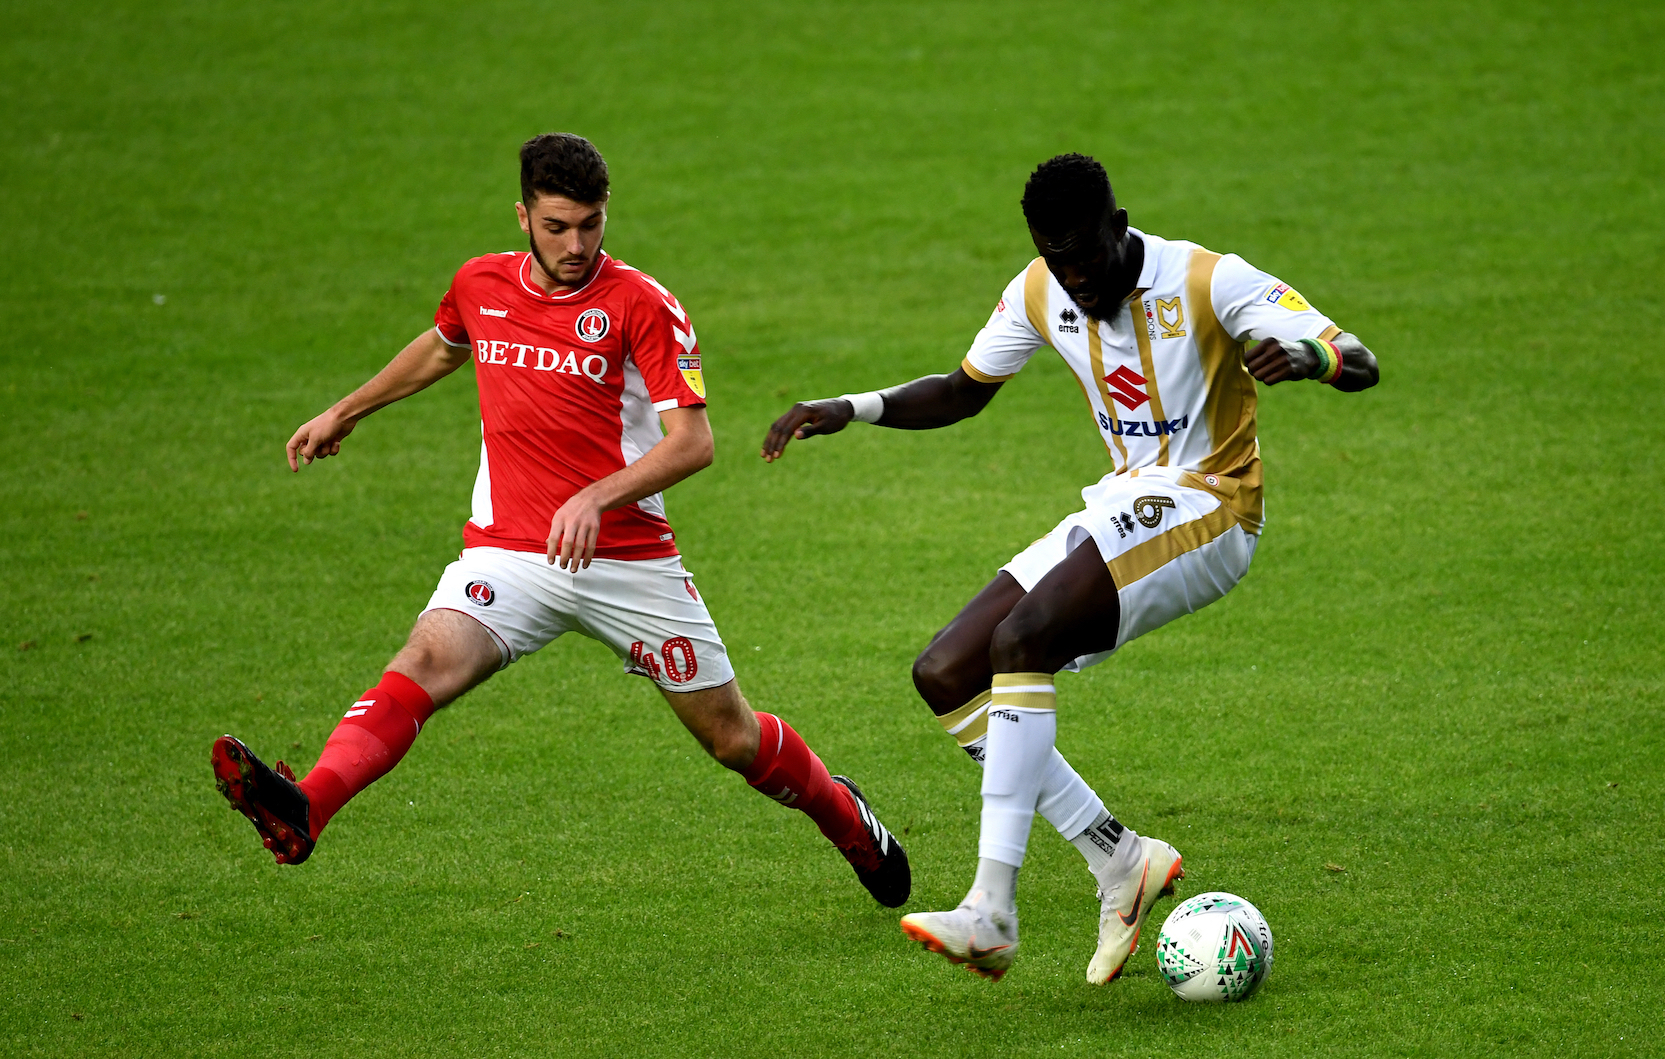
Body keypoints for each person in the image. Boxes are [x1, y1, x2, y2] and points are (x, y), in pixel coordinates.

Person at [211, 133, 909, 910]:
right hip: (511, 551)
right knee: (425, 662)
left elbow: (694, 442)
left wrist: (595, 496)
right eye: (556, 227)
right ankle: (307, 805)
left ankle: (845, 818)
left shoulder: (642, 303)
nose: (576, 245)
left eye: (590, 224)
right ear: (522, 217)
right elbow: (444, 347)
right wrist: (347, 410)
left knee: (731, 738)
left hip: (627, 559)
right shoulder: (479, 283)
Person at [762, 153, 1377, 980]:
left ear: (1118, 226)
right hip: (1124, 500)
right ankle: (1119, 858)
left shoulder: (1208, 280)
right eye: (1057, 259)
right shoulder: (1039, 289)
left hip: (1213, 503)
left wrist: (1311, 360)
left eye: (1086, 253)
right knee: (947, 671)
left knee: (1022, 640)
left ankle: (990, 908)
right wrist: (852, 407)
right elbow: (961, 390)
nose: (1076, 277)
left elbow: (1357, 356)